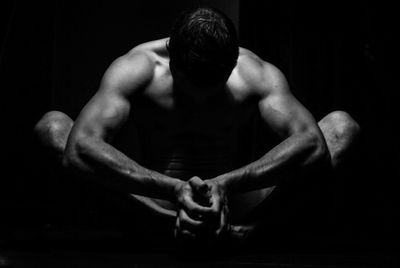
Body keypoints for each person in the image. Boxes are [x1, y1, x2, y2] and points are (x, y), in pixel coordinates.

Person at [34, 7, 359, 247]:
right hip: (154, 206)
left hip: (238, 204)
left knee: (341, 127)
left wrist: (224, 185)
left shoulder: (252, 71)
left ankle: (245, 231)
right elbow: (80, 148)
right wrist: (173, 190)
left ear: (230, 64)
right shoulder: (138, 67)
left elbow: (312, 144)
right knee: (53, 127)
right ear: (172, 59)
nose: (201, 100)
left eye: (213, 88)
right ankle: (178, 228)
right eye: (190, 87)